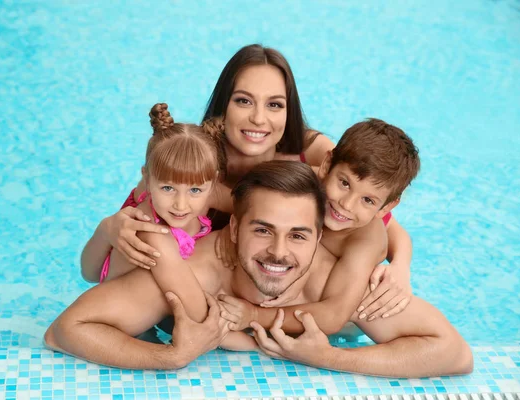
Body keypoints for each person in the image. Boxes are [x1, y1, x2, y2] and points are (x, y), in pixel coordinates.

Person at [44, 161, 473, 378]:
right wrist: (170, 356)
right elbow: (64, 329)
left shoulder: (333, 283)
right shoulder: (191, 270)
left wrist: (331, 357)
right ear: (233, 231)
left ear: (319, 238)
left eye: (299, 235)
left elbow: (455, 354)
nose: (279, 253)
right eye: (263, 230)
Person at [83, 44, 413, 317]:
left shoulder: (312, 153)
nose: (258, 118)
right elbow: (141, 215)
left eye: (274, 105)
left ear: (289, 110)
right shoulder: (196, 158)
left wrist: (401, 266)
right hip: (201, 288)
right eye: (243, 101)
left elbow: (377, 216)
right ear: (223, 105)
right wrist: (110, 228)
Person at [219, 119, 418, 336]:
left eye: (368, 200)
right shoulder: (301, 184)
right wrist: (229, 228)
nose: (347, 204)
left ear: (386, 206)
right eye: (344, 183)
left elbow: (334, 316)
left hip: (342, 323)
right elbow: (249, 203)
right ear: (325, 166)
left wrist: (254, 316)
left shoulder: (366, 238)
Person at [81, 103, 224, 323]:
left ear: (213, 183)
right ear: (146, 179)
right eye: (168, 188)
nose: (180, 204)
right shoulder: (149, 229)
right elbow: (197, 315)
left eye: (195, 190)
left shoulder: (194, 213)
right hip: (119, 316)